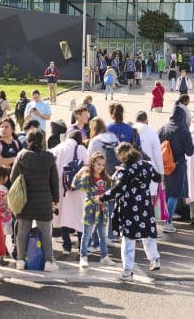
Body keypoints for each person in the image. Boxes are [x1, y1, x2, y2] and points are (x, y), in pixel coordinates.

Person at [98, 143, 162, 281]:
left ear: (122, 155)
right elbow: (158, 178)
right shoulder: (146, 165)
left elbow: (118, 189)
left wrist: (102, 197)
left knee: (129, 238)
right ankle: (155, 259)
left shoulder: (125, 170)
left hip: (129, 207)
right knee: (148, 233)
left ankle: (128, 271)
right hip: (145, 204)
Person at [10, 131, 60, 272]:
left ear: (28, 141)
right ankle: (48, 262)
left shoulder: (21, 156)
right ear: (42, 141)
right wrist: (55, 199)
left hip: (24, 200)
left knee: (22, 231)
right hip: (44, 200)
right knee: (45, 232)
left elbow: (13, 177)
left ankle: (20, 260)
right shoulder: (49, 157)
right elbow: (54, 181)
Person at [73, 152, 116, 267]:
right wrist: (79, 173)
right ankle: (83, 256)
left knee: (103, 235)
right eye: (98, 164)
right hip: (90, 209)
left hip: (103, 209)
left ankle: (104, 257)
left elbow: (115, 185)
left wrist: (120, 172)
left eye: (102, 164)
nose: (100, 167)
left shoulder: (106, 177)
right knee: (86, 234)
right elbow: (75, 185)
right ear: (92, 164)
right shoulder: (87, 177)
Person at [50, 130, 89, 256]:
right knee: (78, 218)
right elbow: (87, 166)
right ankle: (81, 247)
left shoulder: (57, 149)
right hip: (77, 189)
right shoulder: (81, 148)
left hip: (60, 188)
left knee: (63, 217)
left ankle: (66, 246)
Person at [158, 106, 194, 233]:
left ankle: (165, 219)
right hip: (178, 166)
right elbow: (190, 152)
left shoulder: (163, 128)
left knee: (167, 192)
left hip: (164, 165)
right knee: (174, 194)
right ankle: (168, 222)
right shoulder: (184, 130)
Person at [133, 111, 165, 198]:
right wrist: (161, 173)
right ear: (146, 120)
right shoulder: (152, 133)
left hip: (133, 171)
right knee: (149, 202)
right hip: (149, 171)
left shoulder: (131, 130)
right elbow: (158, 155)